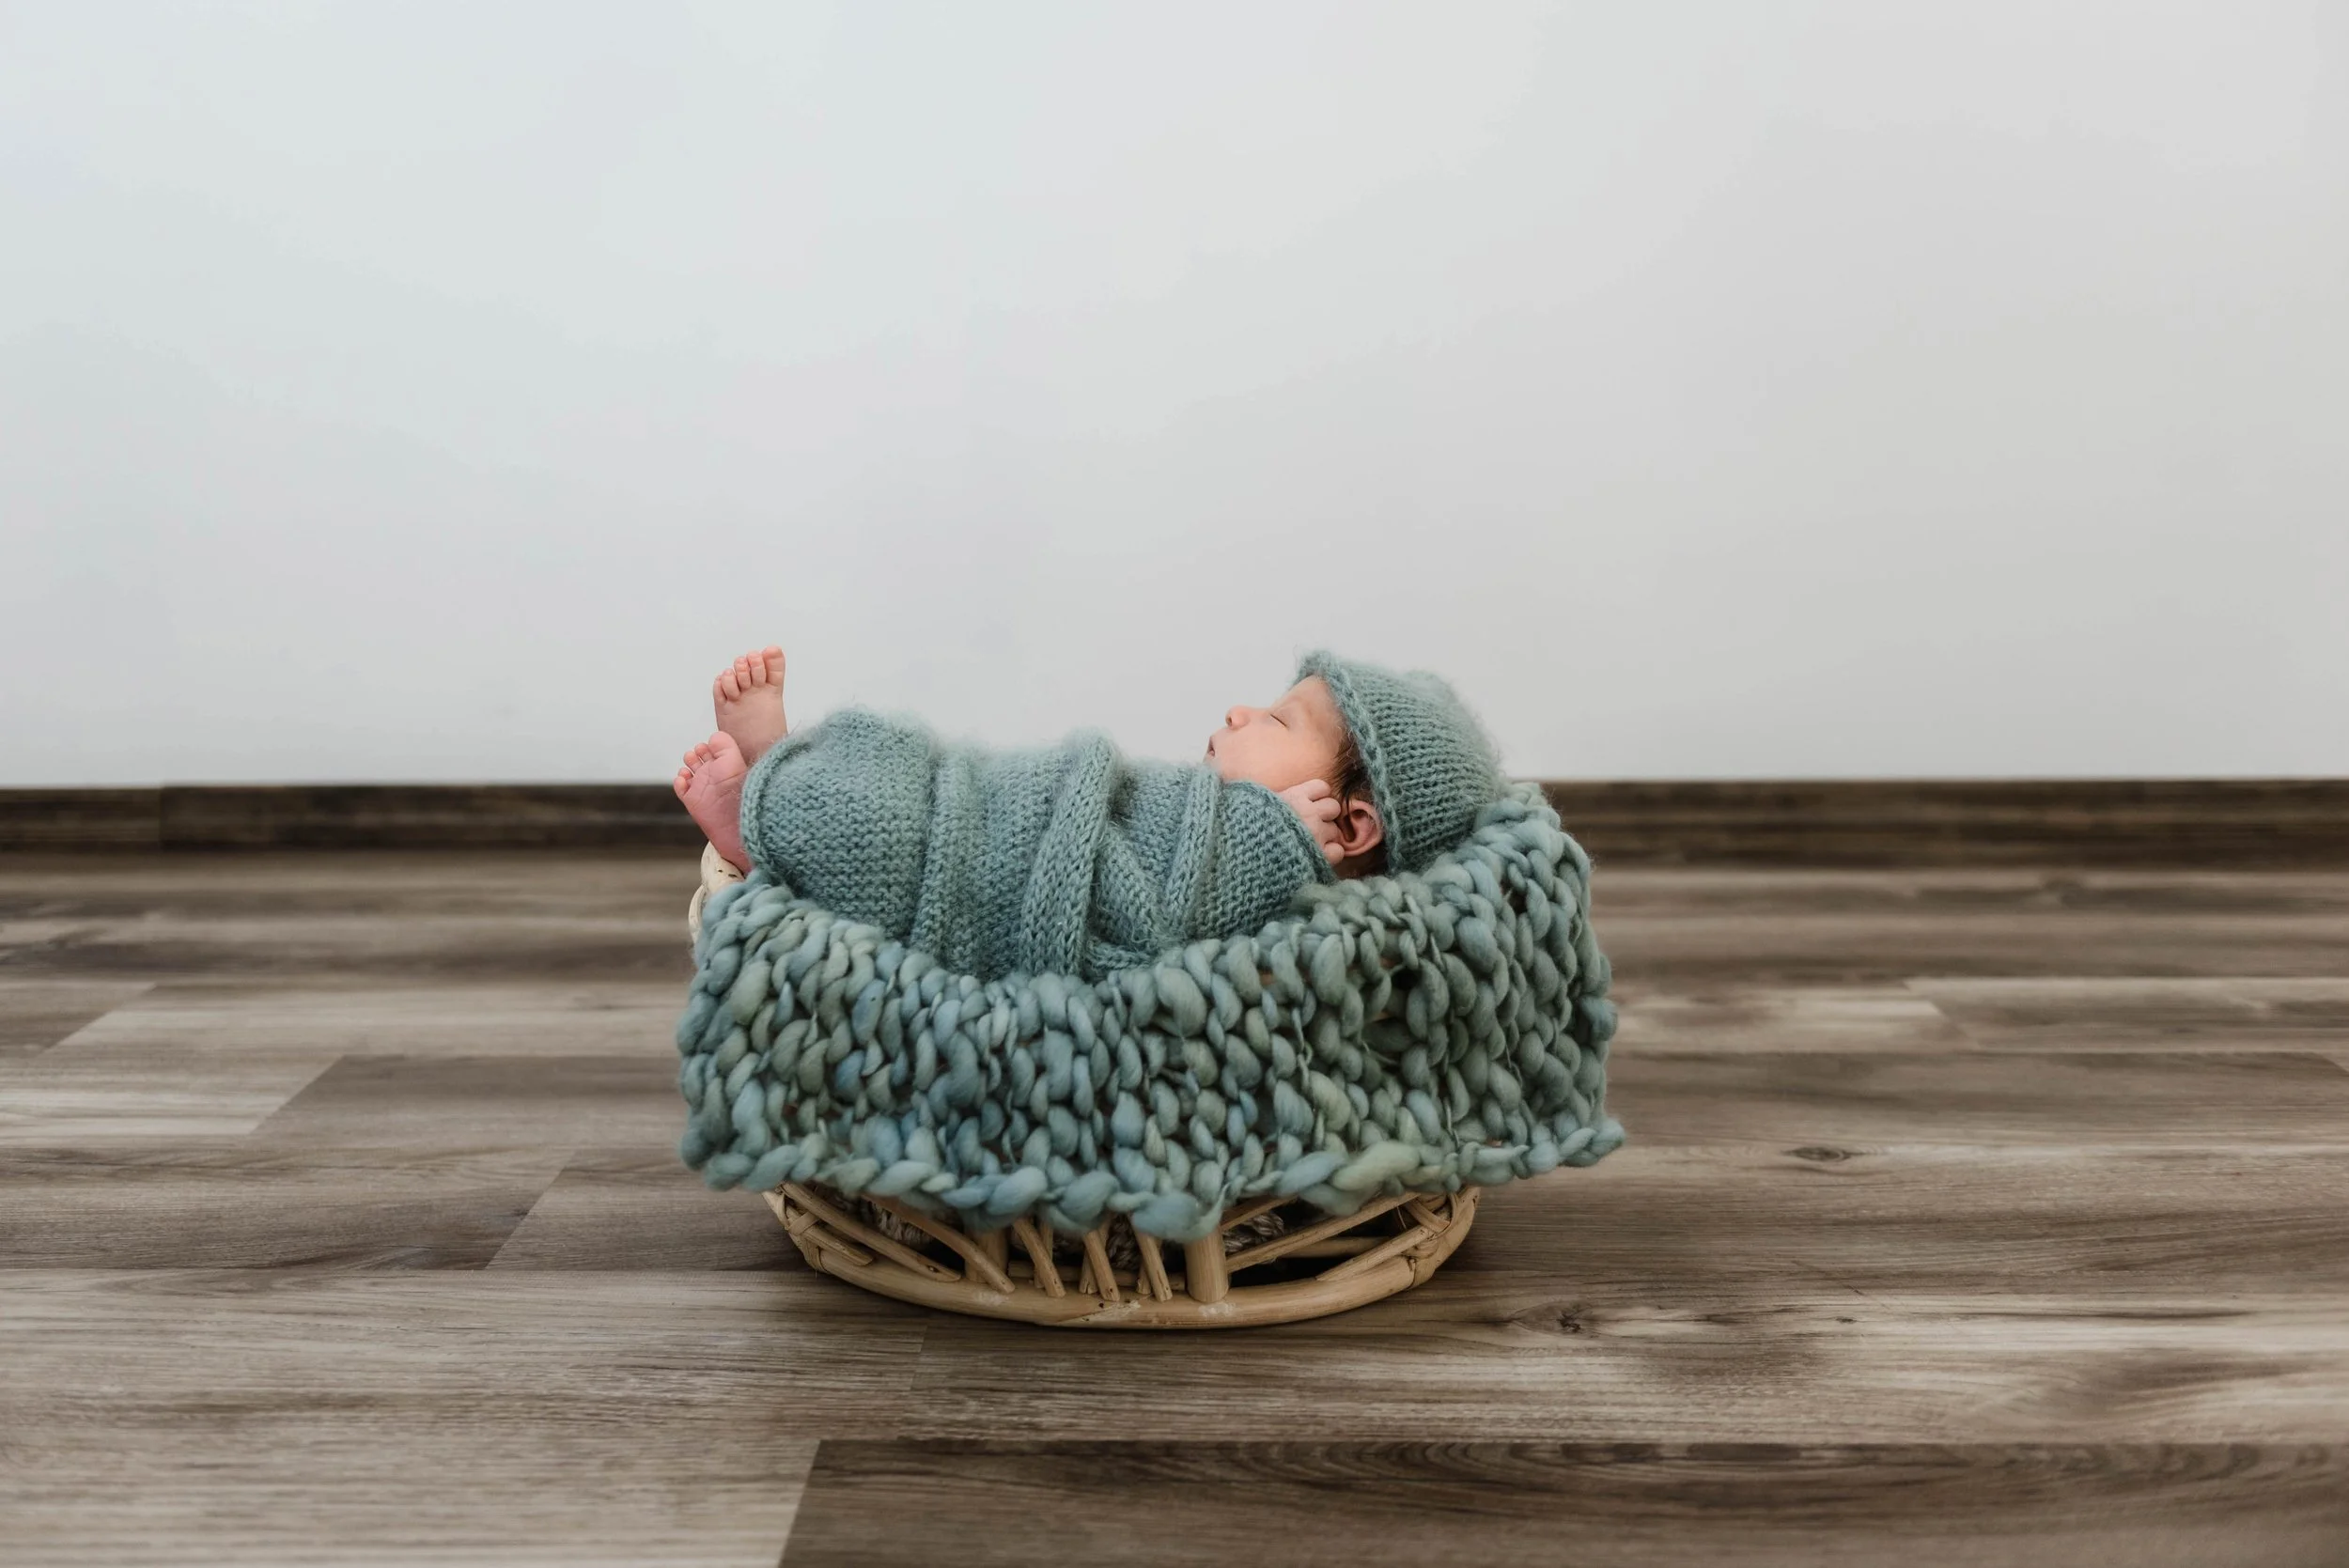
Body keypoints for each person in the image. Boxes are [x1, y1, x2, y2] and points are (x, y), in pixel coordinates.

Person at [673, 644, 1505, 982]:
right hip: (1015, 816)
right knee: (913, 770)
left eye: (1280, 721)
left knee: (891, 838)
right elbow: (1124, 824)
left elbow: (1166, 932)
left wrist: (1274, 839)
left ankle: (761, 821)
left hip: (1001, 893)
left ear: (1351, 827)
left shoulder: (1295, 907)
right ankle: (780, 776)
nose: (1242, 713)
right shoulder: (1201, 814)